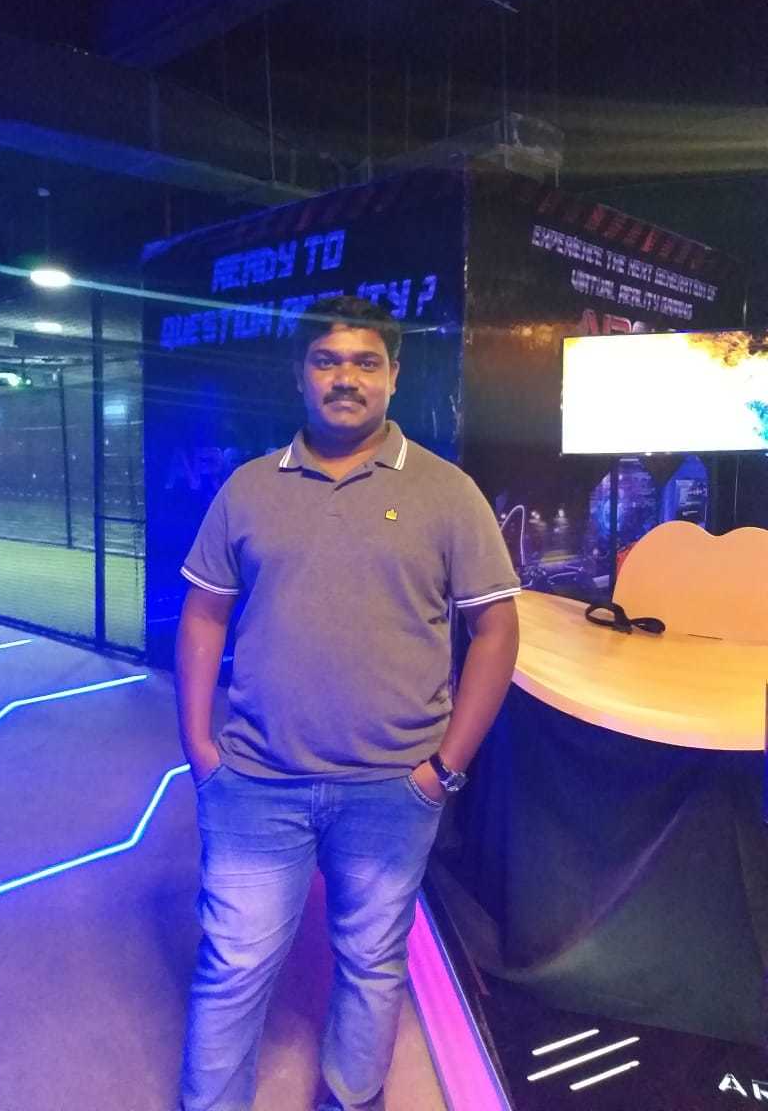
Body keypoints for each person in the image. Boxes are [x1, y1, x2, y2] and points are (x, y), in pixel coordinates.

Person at [175, 295, 520, 1111]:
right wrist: (199, 745)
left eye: (366, 362)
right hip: (256, 781)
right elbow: (204, 612)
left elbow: (497, 630)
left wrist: (445, 768)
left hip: (394, 787)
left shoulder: (447, 491)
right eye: (327, 361)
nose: (345, 378)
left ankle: (352, 1100)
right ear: (300, 375)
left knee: (371, 963)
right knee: (233, 964)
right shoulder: (249, 488)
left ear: (394, 376)